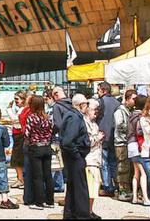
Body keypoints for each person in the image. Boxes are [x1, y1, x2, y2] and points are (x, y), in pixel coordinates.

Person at [58, 90, 91, 218]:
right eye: (86, 104)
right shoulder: (74, 118)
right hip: (75, 157)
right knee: (80, 187)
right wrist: (77, 154)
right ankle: (82, 214)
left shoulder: (72, 116)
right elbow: (67, 141)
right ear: (81, 105)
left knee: (73, 187)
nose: (87, 107)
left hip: (74, 156)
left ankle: (71, 213)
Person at [25, 94, 55, 210]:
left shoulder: (31, 117)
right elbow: (52, 131)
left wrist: (29, 141)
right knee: (48, 175)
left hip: (36, 147)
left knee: (38, 176)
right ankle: (50, 201)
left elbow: (27, 133)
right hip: (47, 147)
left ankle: (39, 202)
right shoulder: (48, 117)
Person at [113, 88, 137, 202]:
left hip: (127, 142)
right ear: (127, 99)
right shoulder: (120, 111)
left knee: (129, 168)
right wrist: (132, 127)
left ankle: (127, 190)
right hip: (121, 143)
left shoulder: (131, 110)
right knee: (122, 167)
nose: (135, 101)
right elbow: (119, 126)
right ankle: (122, 191)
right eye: (134, 99)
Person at [96, 81, 120, 197]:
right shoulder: (117, 103)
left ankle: (107, 186)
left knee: (104, 162)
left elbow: (97, 117)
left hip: (103, 135)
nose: (97, 92)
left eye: (99, 90)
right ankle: (117, 184)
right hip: (113, 135)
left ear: (104, 91)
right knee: (113, 162)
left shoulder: (101, 102)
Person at [82, 97, 105, 220]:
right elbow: (86, 142)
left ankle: (90, 210)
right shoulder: (84, 123)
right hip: (89, 160)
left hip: (95, 160)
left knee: (94, 188)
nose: (96, 112)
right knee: (90, 189)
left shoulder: (93, 123)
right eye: (94, 110)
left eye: (97, 110)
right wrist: (98, 137)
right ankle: (87, 211)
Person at [127, 95, 150, 206]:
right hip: (137, 144)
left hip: (130, 144)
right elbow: (140, 132)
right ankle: (146, 198)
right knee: (143, 173)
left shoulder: (130, 115)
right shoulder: (140, 116)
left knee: (136, 173)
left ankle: (135, 197)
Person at [6, 90, 27, 188]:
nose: (15, 101)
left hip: (20, 134)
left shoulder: (23, 109)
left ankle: (21, 179)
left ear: (23, 99)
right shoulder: (20, 109)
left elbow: (15, 119)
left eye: (17, 99)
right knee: (16, 157)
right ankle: (20, 178)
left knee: (17, 158)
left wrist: (9, 109)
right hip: (17, 134)